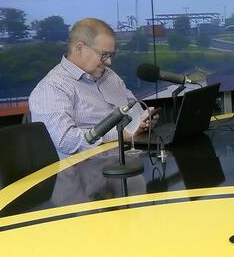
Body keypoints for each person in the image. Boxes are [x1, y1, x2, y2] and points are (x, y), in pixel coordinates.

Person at [29, 18, 153, 158]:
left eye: (111, 55)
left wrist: (144, 120)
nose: (109, 62)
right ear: (80, 48)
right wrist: (122, 133)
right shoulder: (53, 86)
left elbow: (134, 108)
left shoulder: (110, 76)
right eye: (104, 55)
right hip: (86, 167)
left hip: (129, 156)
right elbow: (65, 140)